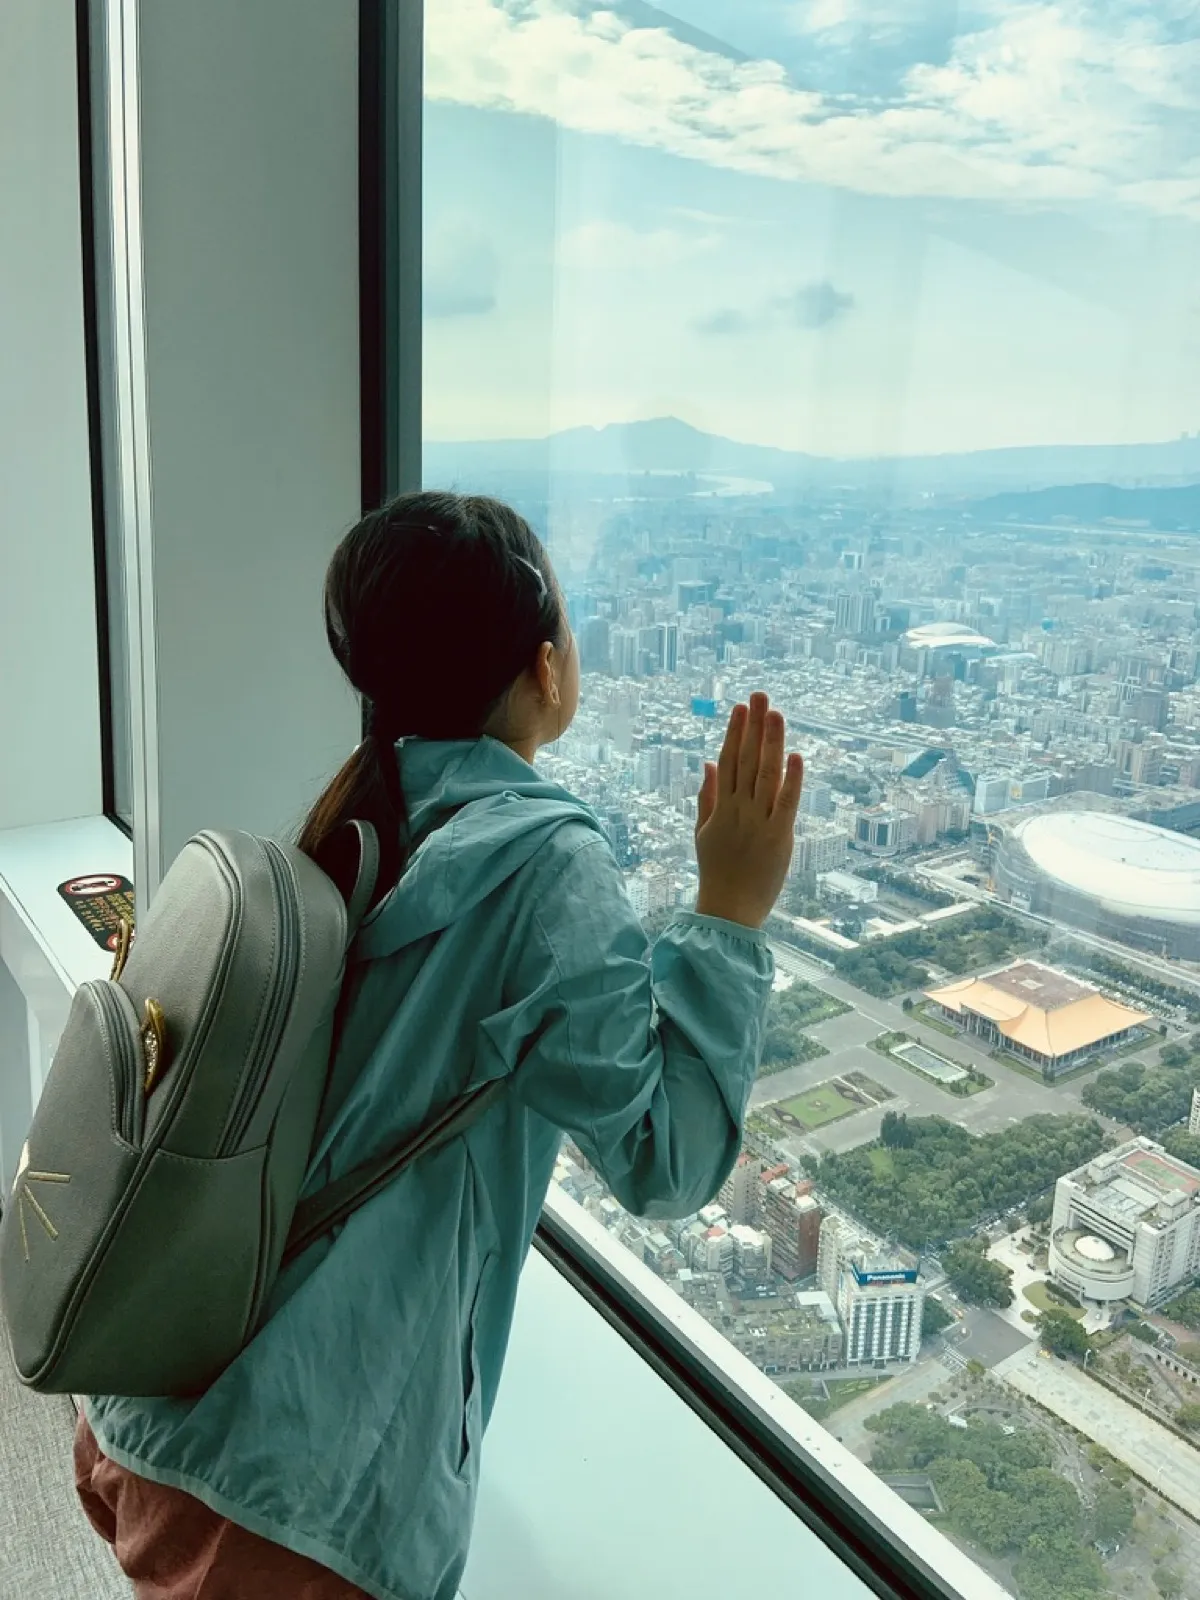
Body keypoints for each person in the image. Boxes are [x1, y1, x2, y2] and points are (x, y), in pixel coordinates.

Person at [74, 491, 804, 1599]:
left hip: (157, 1393)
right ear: (544, 668)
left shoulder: (351, 815)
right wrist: (730, 915)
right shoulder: (544, 866)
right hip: (292, 1491)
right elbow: (666, 1157)